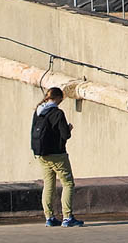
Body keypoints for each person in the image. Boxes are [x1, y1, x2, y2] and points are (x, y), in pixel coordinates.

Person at [31, 86, 81, 228]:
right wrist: (69, 129)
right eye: (61, 99)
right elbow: (65, 135)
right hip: (57, 154)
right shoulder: (58, 113)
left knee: (48, 185)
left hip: (41, 155)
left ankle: (49, 217)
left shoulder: (38, 111)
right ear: (58, 98)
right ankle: (67, 217)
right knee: (68, 184)